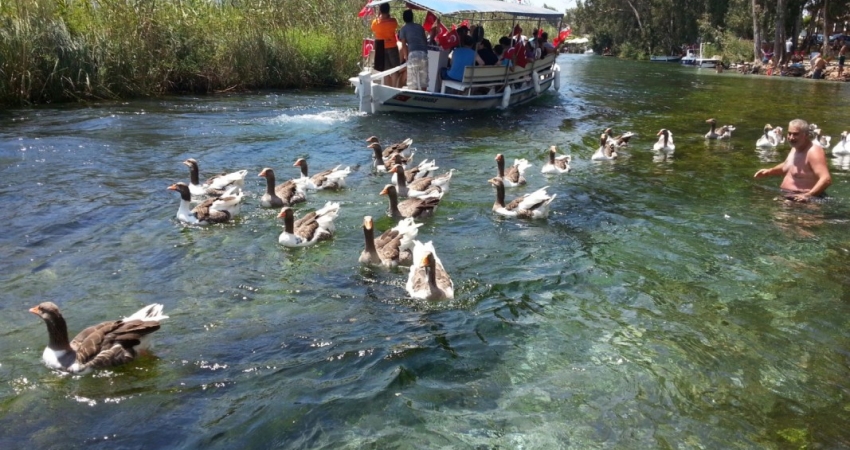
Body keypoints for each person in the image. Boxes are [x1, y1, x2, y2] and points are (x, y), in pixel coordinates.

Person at [754, 119, 832, 203]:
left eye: (795, 134)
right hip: (789, 196)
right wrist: (769, 172)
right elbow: (787, 166)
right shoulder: (796, 148)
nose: (791, 137)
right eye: (789, 133)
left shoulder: (813, 151)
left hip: (803, 201)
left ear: (806, 135)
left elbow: (826, 179)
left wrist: (808, 195)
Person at [371, 3, 401, 87]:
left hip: (381, 47)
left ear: (380, 10)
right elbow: (396, 25)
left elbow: (373, 28)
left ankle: (387, 88)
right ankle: (394, 87)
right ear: (388, 10)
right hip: (392, 46)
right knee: (395, 69)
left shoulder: (375, 22)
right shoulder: (393, 21)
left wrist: (378, 16)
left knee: (386, 71)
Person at [398, 9, 429, 91]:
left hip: (413, 54)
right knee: (424, 80)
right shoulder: (420, 27)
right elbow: (425, 41)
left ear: (404, 19)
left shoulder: (403, 29)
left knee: (412, 82)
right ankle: (424, 95)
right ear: (412, 17)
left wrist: (406, 57)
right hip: (423, 53)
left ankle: (413, 95)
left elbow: (403, 44)